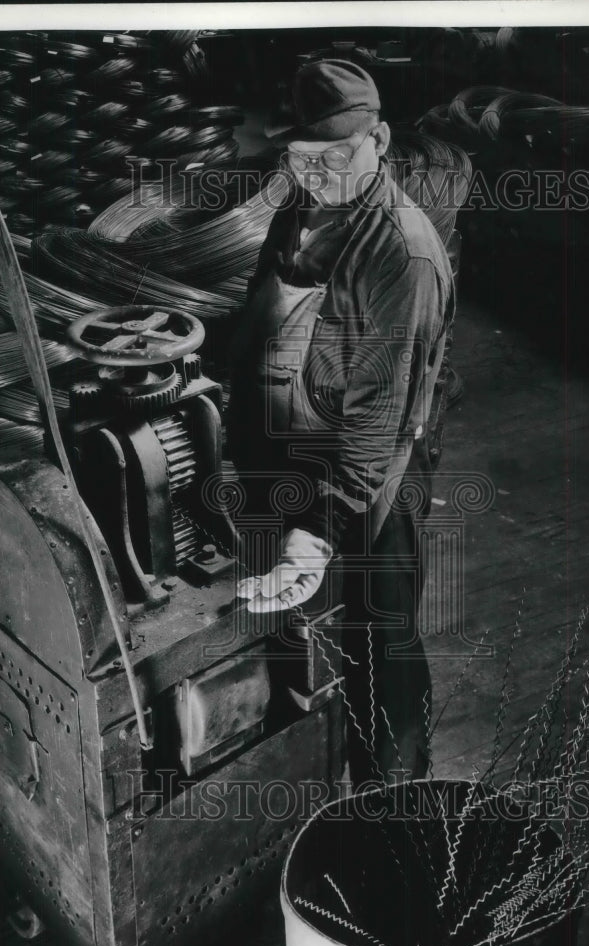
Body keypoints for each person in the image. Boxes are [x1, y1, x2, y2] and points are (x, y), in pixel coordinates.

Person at [226, 59, 456, 787]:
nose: (317, 171)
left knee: (378, 642)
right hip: (295, 454)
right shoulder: (303, 210)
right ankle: (306, 769)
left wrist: (319, 531)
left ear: (380, 139)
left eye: (336, 153)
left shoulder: (401, 251)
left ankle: (392, 806)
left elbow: (376, 421)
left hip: (369, 475)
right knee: (300, 635)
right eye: (301, 157)